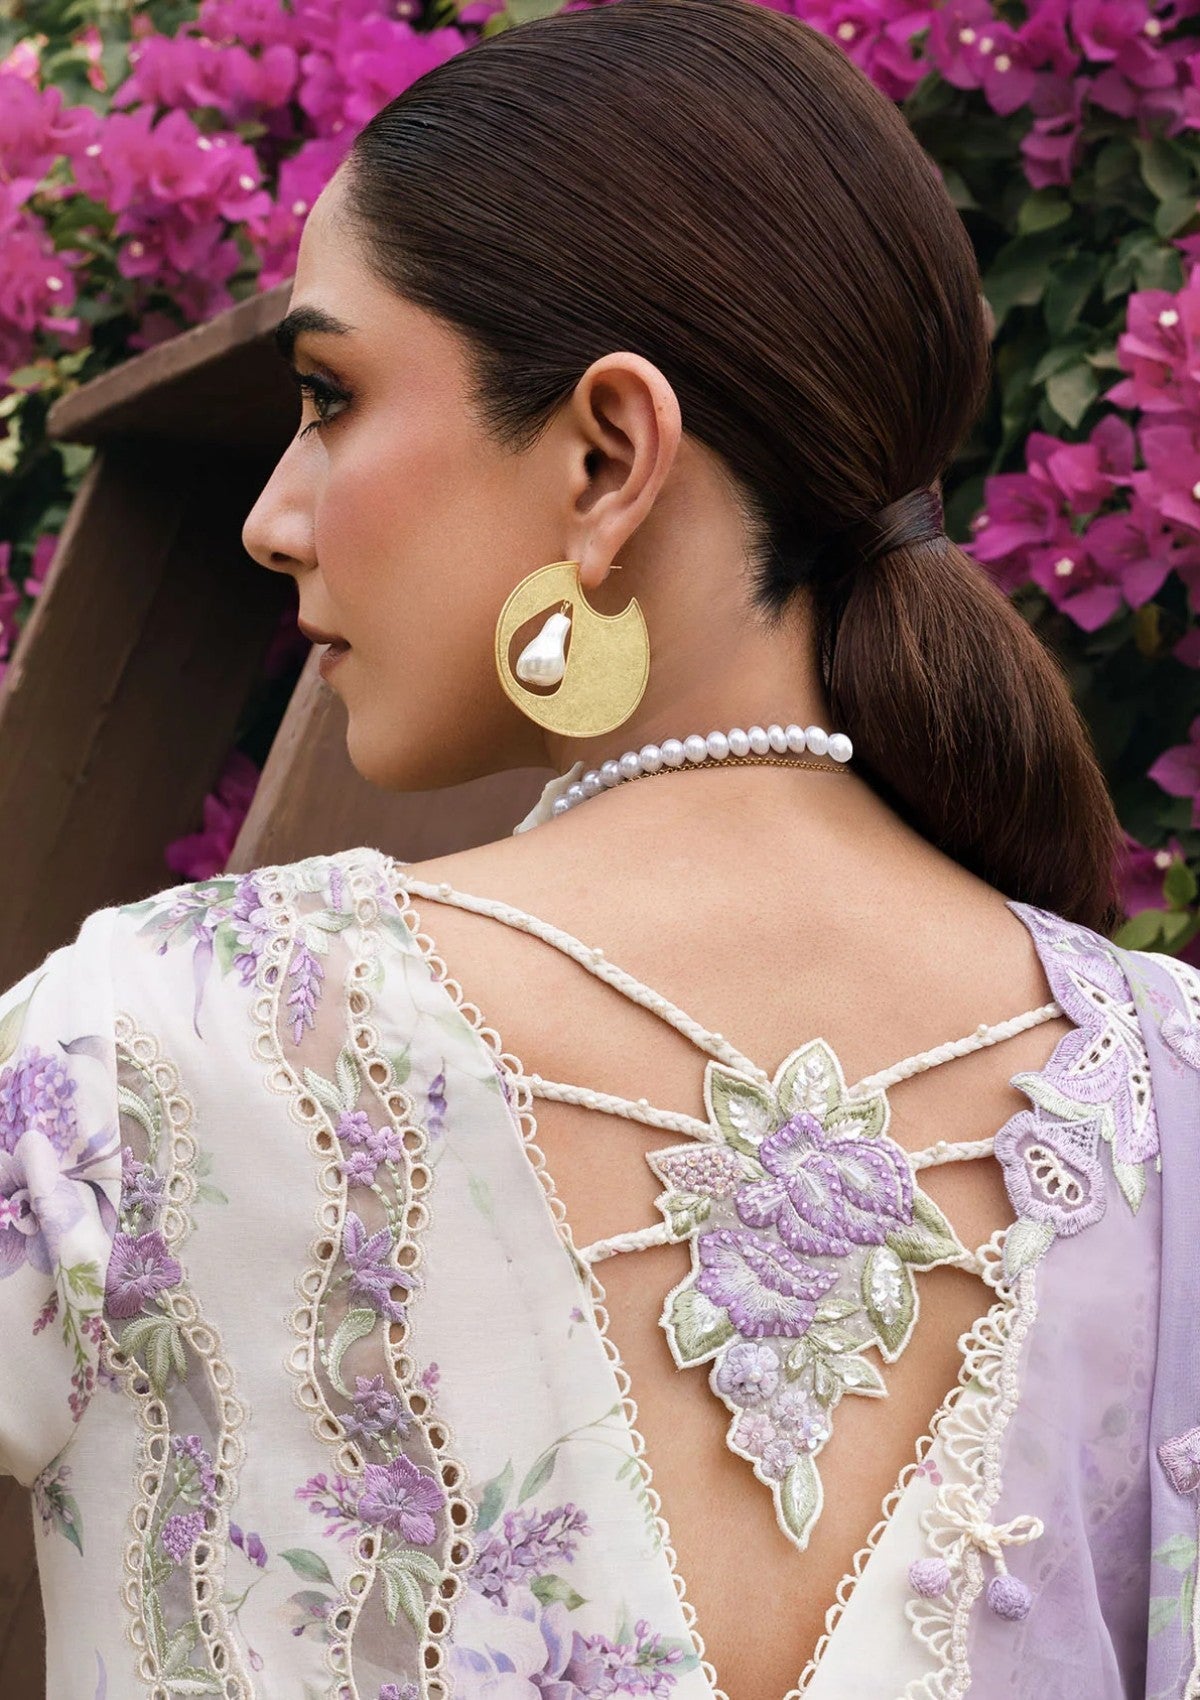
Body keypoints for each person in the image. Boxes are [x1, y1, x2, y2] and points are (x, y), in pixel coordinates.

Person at [3, 0, 1198, 1695]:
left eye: (331, 397)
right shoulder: (1176, 1106)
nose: (274, 517)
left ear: (606, 457)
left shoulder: (150, 1054)